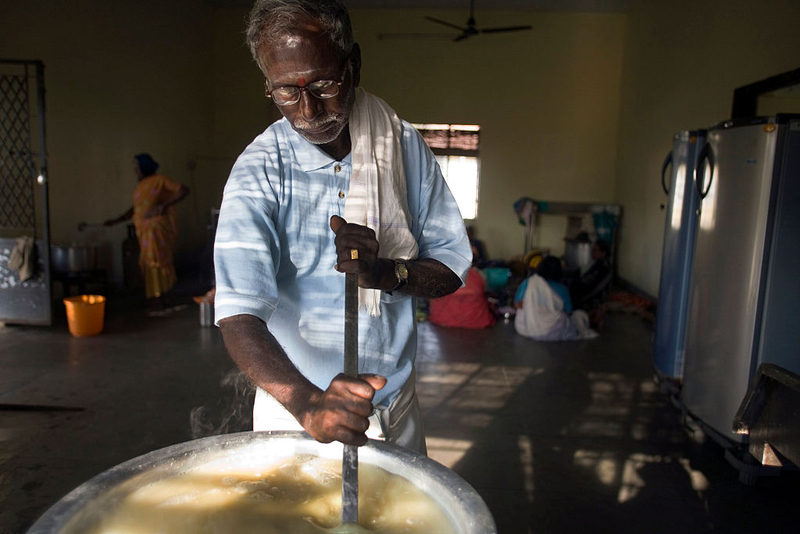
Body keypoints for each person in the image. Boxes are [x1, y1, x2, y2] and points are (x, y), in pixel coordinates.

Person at [213, 0, 471, 455]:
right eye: (286, 92)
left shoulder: (403, 147)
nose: (308, 109)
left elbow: (451, 267)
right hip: (293, 419)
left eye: (323, 82)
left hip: (394, 411)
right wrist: (309, 403)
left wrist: (386, 273)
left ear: (353, 63)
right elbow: (238, 315)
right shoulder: (260, 170)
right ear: (269, 86)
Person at [104, 154, 190, 311]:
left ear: (145, 166)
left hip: (156, 230)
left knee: (155, 261)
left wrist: (163, 205)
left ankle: (158, 299)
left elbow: (183, 190)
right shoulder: (141, 185)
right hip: (143, 232)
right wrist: (117, 220)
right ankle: (157, 297)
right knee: (147, 263)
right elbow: (137, 208)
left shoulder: (160, 180)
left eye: (137, 166)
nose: (135, 170)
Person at [514, 256, 596, 341]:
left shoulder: (529, 282)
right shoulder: (562, 289)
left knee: (522, 312)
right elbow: (568, 312)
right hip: (552, 331)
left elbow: (517, 305)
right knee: (578, 315)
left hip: (524, 328)